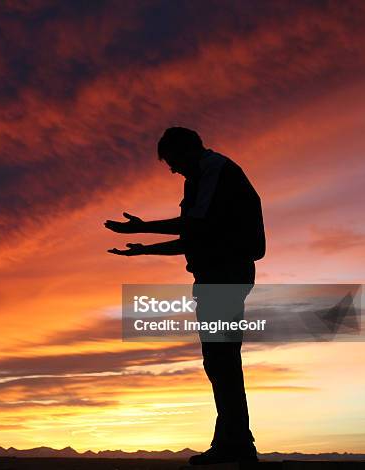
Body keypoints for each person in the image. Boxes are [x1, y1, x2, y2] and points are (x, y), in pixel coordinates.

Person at [104, 127, 266, 465]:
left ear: (188, 150)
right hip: (216, 274)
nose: (173, 169)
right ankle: (233, 442)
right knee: (219, 362)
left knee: (221, 360)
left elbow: (195, 228)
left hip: (225, 275)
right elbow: (195, 236)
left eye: (174, 162)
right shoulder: (201, 177)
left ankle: (236, 445)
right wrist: (144, 249)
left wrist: (141, 228)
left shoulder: (214, 171)